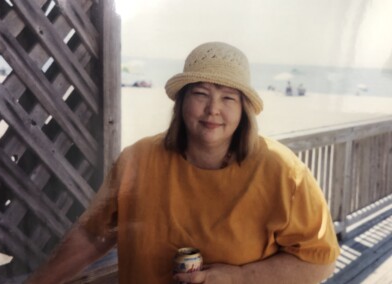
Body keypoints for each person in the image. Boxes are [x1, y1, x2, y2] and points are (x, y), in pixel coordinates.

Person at [27, 42, 340, 284]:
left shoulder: (283, 172)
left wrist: (238, 277)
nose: (213, 109)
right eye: (201, 93)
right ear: (182, 102)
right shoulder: (138, 159)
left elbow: (320, 261)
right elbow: (94, 234)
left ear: (244, 110)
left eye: (228, 98)